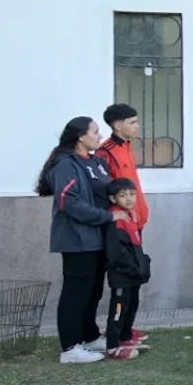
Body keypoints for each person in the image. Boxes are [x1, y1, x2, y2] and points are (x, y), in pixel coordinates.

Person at [36, 117, 120, 365]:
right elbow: (68, 202)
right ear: (81, 137)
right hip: (76, 238)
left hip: (97, 237)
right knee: (76, 291)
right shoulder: (65, 165)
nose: (99, 135)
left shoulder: (95, 161)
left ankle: (89, 336)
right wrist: (106, 215)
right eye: (95, 131)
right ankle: (70, 347)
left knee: (93, 289)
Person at [102, 178, 151, 360]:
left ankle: (125, 337)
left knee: (132, 305)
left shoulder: (131, 216)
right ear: (113, 199)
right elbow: (117, 253)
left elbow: (135, 246)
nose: (129, 199)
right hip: (122, 275)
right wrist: (132, 268)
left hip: (133, 274)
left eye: (131, 194)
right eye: (123, 195)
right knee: (119, 308)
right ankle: (113, 346)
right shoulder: (116, 220)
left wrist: (143, 264)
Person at [97, 103, 149, 229]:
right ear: (118, 126)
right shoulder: (106, 151)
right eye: (132, 123)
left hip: (136, 218)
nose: (137, 126)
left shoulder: (127, 147)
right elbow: (102, 187)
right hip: (121, 222)